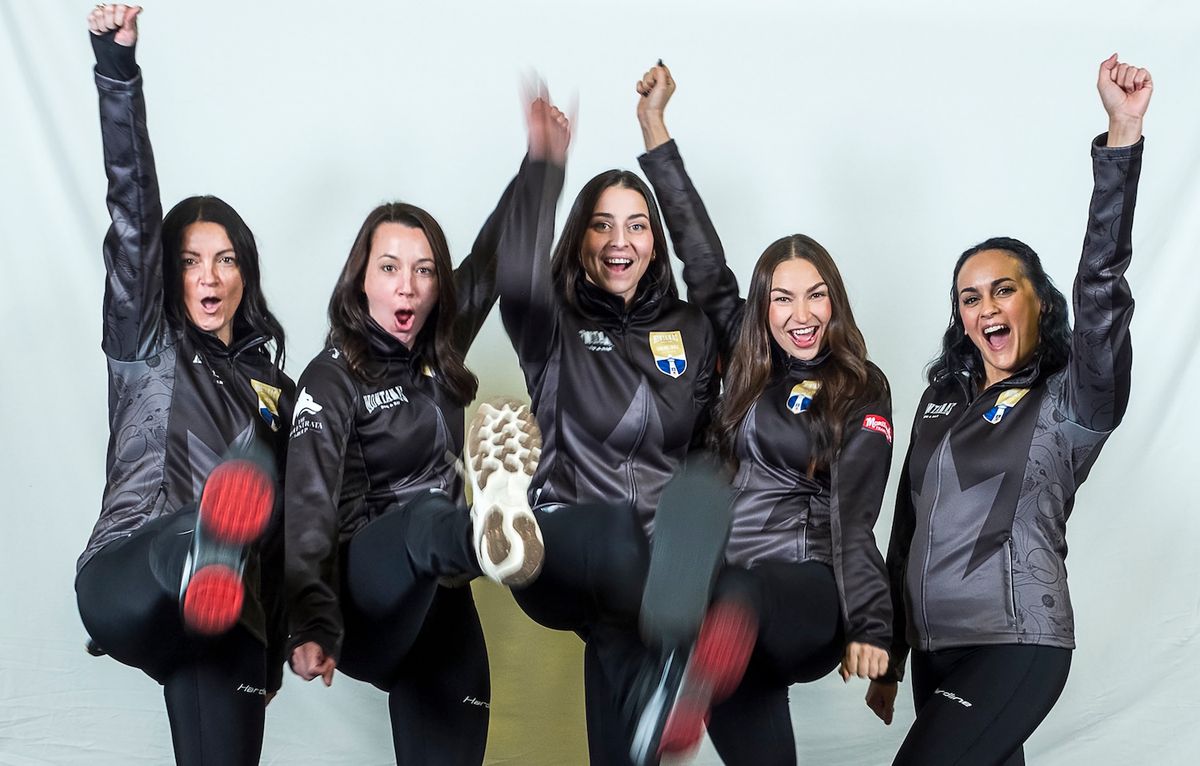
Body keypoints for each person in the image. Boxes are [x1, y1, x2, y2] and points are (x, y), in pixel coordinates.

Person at [865, 54, 1152, 766]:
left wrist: (1120, 140)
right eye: (970, 297)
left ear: (1038, 302)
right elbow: (908, 524)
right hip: (936, 647)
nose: (986, 306)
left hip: (1016, 642)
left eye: (1004, 289)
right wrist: (894, 649)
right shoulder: (941, 401)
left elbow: (1101, 285)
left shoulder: (1072, 396)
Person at [283, 97, 569, 765]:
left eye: (424, 270)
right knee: (422, 520)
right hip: (364, 592)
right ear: (361, 279)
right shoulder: (330, 376)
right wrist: (308, 620)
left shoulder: (440, 349)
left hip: (439, 601)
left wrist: (541, 167)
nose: (408, 286)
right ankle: (491, 530)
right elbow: (308, 503)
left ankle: (493, 532)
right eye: (390, 268)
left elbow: (490, 260)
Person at [630, 63, 894, 765]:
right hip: (725, 615)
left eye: (815, 295)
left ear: (834, 301)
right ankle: (683, 670)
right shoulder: (745, 361)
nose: (801, 314)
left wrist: (873, 627)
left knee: (735, 594)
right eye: (782, 298)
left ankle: (682, 666)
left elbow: (856, 516)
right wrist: (655, 127)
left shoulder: (860, 387)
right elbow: (699, 255)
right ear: (763, 308)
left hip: (805, 595)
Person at [74, 6, 294, 765]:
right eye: (193, 260)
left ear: (245, 273)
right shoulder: (147, 341)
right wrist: (117, 72)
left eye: (226, 259)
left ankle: (214, 559)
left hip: (227, 618)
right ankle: (202, 546)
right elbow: (133, 213)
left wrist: (277, 648)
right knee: (205, 525)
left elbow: (287, 533)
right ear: (169, 274)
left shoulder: (277, 388)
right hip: (132, 573)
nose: (210, 275)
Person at [489, 77, 723, 764]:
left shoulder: (690, 328)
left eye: (637, 224)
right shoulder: (553, 324)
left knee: (631, 706)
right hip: (560, 547)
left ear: (655, 240)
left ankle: (660, 691)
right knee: (621, 541)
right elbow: (517, 278)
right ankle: (675, 663)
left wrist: (658, 136)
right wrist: (544, 167)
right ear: (580, 236)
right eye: (602, 223)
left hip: (649, 579)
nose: (620, 241)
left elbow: (710, 271)